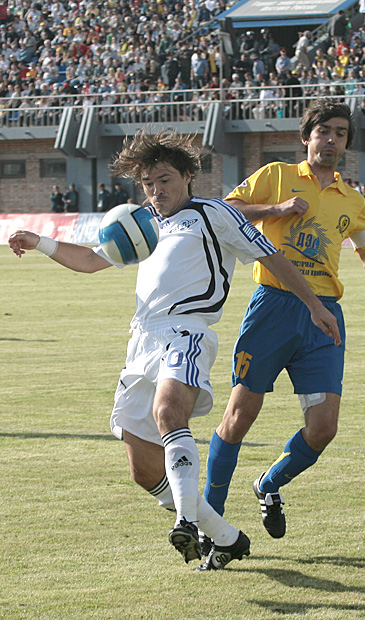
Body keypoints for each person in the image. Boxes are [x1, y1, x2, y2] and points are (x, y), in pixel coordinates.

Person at [8, 130, 340, 571]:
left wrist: (314, 304)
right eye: (148, 183)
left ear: (187, 176)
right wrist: (41, 242)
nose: (156, 190)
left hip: (187, 330)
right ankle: (226, 537)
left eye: (164, 180)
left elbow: (272, 256)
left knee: (169, 412)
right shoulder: (144, 222)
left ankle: (188, 521)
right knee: (144, 470)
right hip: (141, 341)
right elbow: (89, 260)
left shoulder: (213, 213)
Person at [204, 99, 365, 542]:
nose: (332, 140)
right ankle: (209, 521)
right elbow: (223, 213)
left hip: (324, 318)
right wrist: (275, 210)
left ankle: (268, 484)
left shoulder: (353, 200)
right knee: (239, 417)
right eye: (324, 132)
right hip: (273, 307)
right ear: (307, 137)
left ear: (346, 144)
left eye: (340, 133)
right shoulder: (275, 176)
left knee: (323, 429)